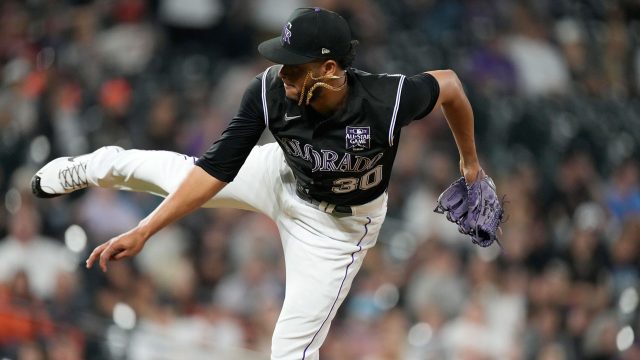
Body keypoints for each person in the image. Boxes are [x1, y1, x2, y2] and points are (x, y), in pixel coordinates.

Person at [32, 7, 485, 360]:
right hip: (281, 175)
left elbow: (451, 86)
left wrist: (470, 164)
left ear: (328, 68)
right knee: (171, 173)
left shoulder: (386, 99)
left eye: (294, 66)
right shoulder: (268, 91)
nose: (281, 72)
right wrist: (145, 230)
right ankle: (92, 166)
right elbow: (213, 171)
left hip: (335, 232)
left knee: (289, 348)